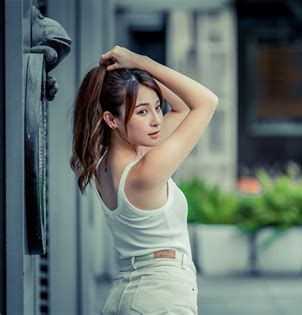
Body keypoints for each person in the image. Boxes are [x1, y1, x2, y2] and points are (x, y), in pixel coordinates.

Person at [70, 45, 218, 314]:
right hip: (159, 297)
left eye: (157, 108)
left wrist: (139, 73)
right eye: (142, 112)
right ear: (111, 120)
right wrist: (143, 62)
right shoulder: (145, 172)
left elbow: (182, 109)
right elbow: (206, 102)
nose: (156, 121)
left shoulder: (106, 163)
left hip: (131, 293)